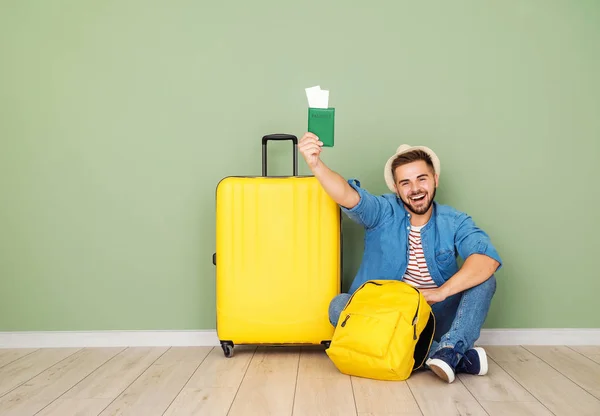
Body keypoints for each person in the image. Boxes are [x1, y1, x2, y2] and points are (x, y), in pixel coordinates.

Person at [297, 132, 502, 384]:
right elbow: (347, 196)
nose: (415, 189)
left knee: (484, 280)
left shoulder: (455, 221)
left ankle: (444, 347)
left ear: (435, 179)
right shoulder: (382, 211)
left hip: (435, 313)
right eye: (405, 183)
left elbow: (486, 259)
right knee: (339, 305)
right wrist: (315, 164)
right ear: (395, 188)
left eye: (421, 179)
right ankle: (450, 354)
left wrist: (441, 292)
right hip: (386, 316)